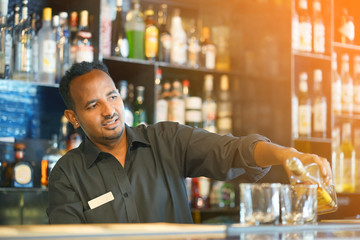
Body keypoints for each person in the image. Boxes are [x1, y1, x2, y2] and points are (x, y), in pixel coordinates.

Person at [47, 61, 332, 224]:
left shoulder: (165, 140)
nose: (109, 111)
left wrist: (287, 155)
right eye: (93, 105)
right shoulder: (67, 173)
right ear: (73, 117)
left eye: (112, 96)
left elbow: (232, 151)